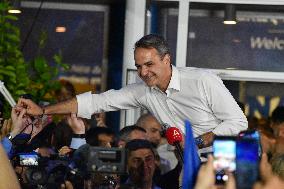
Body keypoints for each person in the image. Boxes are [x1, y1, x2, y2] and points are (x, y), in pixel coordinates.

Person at [17, 34, 247, 149]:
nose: (143, 72)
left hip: (221, 163)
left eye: (149, 65)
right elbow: (96, 102)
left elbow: (239, 122)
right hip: (188, 169)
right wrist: (43, 110)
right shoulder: (143, 91)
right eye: (138, 66)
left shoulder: (202, 80)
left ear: (167, 60)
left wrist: (198, 142)